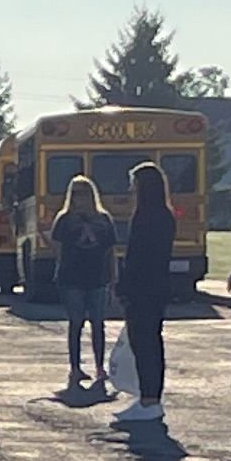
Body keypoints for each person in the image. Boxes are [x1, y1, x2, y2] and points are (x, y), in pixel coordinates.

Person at [114, 160, 174, 427]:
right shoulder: (165, 215)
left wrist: (124, 285)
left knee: (145, 343)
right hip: (157, 287)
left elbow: (137, 257)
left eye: (134, 184)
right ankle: (148, 398)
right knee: (150, 342)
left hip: (144, 288)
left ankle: (150, 400)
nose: (131, 190)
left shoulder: (146, 217)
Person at [50, 175, 117, 390]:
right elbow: (58, 249)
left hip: (97, 277)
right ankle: (75, 367)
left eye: (84, 193)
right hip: (71, 278)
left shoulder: (103, 220)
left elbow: (111, 250)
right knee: (75, 323)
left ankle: (99, 366)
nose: (79, 198)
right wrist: (58, 274)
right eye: (75, 193)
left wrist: (113, 276)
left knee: (98, 323)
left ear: (92, 195)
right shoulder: (64, 220)